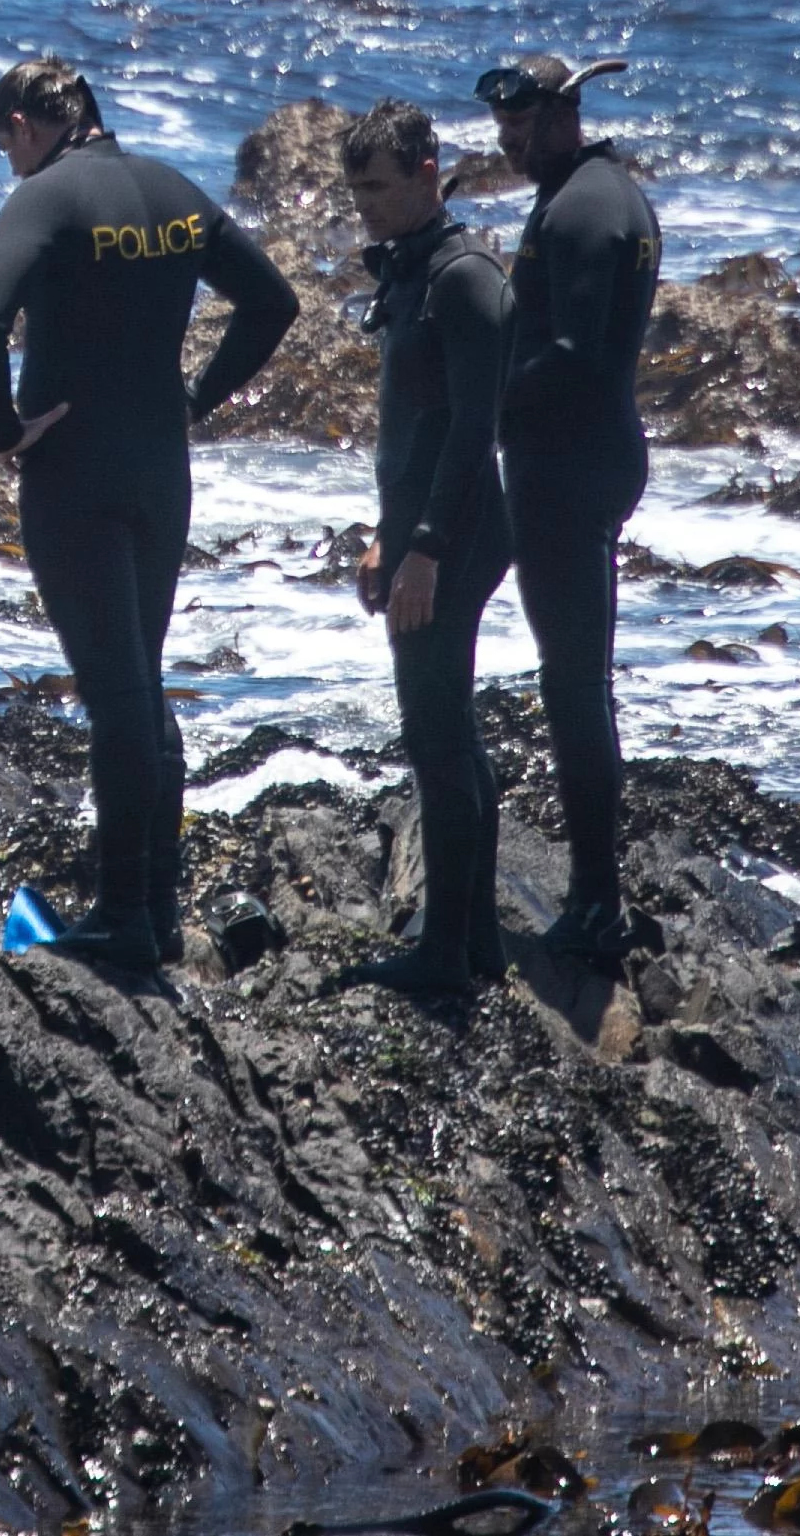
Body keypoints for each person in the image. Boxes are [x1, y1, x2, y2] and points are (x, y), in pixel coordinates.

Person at [0, 58, 298, 971]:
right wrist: (198, 396)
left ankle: (120, 914)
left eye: (5, 146)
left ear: (28, 123)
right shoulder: (171, 188)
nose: (9, 168)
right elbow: (272, 301)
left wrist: (2, 432)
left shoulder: (48, 197)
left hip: (74, 474)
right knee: (138, 681)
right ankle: (152, 902)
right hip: (160, 468)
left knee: (115, 695)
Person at [473, 52, 660, 975]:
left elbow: (576, 355)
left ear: (566, 111)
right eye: (502, 127)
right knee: (577, 679)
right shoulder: (599, 192)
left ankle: (594, 901)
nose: (510, 139)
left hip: (568, 465)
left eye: (525, 123)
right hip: (595, 454)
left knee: (574, 685)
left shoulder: (585, 207)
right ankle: (598, 891)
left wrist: (485, 402)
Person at [333, 98, 514, 1000]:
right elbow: (411, 426)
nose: (362, 205)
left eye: (376, 188)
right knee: (449, 731)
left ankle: (444, 955)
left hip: (462, 531)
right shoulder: (411, 269)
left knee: (437, 740)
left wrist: (426, 549)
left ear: (426, 170)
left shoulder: (465, 277)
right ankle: (476, 937)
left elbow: (475, 429)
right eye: (352, 189)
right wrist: (383, 535)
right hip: (417, 527)